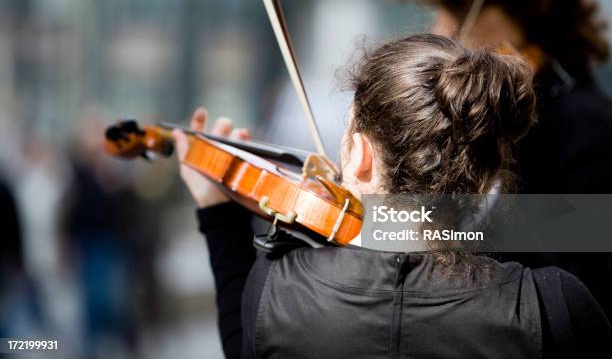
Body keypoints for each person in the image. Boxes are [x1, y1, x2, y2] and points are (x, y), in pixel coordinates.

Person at [174, 34, 611, 358]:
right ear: (486, 175)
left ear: (360, 155)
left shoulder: (277, 289)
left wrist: (217, 213)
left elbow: (244, 343)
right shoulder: (551, 305)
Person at [380, 0, 612, 319]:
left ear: (520, 8)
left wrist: (387, 225)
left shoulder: (586, 130)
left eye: (454, 10)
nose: (441, 31)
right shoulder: (484, 119)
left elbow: (574, 294)